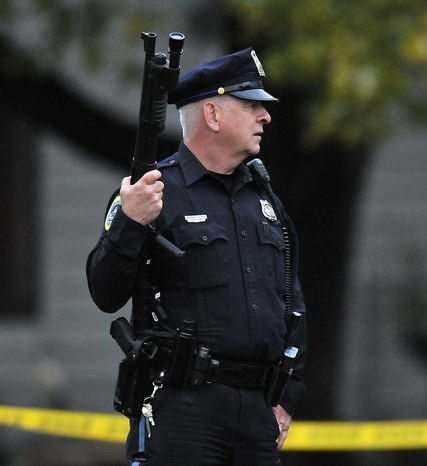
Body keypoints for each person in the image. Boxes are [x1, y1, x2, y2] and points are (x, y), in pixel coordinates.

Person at [86, 47, 307, 465]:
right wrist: (131, 222)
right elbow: (104, 291)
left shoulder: (265, 201)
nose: (266, 117)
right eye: (251, 106)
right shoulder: (153, 192)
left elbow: (292, 304)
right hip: (184, 409)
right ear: (213, 115)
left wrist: (288, 397)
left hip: (257, 409)